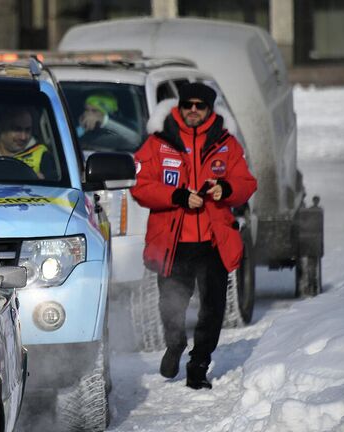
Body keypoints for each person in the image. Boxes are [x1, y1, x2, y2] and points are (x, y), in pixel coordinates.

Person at [130, 82, 257, 390]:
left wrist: (225, 189)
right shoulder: (158, 144)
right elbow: (140, 186)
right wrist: (177, 196)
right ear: (180, 106)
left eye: (200, 105)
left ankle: (199, 363)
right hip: (173, 244)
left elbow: (246, 183)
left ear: (209, 109)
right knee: (171, 304)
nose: (194, 110)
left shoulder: (227, 144)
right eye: (188, 105)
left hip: (212, 242)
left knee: (213, 308)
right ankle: (175, 345)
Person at [0, 106, 56, 179]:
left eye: (27, 130)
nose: (23, 137)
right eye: (17, 129)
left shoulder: (41, 155)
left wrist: (44, 181)